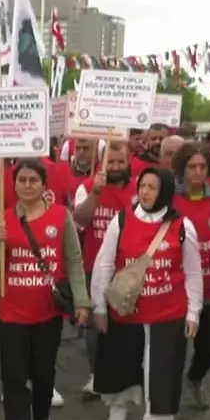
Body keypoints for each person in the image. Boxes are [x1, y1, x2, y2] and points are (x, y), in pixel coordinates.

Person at [91, 167, 201, 420]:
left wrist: (194, 312)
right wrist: (99, 305)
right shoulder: (122, 220)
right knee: (122, 363)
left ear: (165, 190)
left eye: (152, 187)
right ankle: (118, 404)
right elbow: (104, 264)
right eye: (143, 186)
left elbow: (192, 272)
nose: (146, 192)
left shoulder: (182, 227)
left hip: (168, 312)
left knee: (163, 372)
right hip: (127, 311)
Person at [0, 159, 90, 420]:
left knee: (43, 371)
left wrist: (82, 301)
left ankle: (41, 411)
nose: (28, 185)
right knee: (14, 376)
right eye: (22, 180)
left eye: (34, 180)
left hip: (47, 312)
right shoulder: (3, 219)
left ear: (44, 185)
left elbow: (73, 260)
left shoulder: (60, 217)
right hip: (11, 313)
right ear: (14, 184)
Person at [171, 142, 210, 409]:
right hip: (176, 289)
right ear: (182, 170)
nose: (197, 172)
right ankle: (167, 402)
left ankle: (195, 378)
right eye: (192, 167)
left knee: (209, 348)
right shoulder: (170, 199)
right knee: (173, 350)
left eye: (202, 167)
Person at [73, 140, 136, 395]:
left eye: (121, 162)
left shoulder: (139, 189)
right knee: (95, 325)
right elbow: (79, 219)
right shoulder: (86, 187)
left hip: (128, 270)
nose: (117, 167)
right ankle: (95, 373)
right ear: (102, 163)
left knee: (125, 325)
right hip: (93, 267)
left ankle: (123, 374)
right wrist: (95, 194)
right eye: (111, 162)